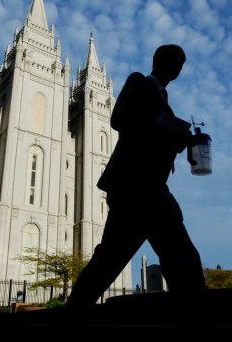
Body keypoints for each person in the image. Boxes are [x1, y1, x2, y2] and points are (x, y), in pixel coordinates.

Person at [65, 44, 206, 309]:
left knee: (176, 256)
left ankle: (194, 314)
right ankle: (73, 312)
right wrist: (166, 126)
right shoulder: (139, 82)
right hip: (134, 186)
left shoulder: (166, 103)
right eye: (173, 60)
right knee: (114, 259)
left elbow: (159, 139)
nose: (177, 67)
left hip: (152, 187)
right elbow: (120, 118)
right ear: (158, 61)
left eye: (180, 63)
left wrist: (184, 143)